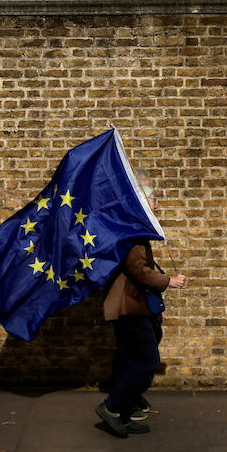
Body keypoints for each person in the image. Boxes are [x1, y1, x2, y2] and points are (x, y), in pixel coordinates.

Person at [95, 174, 188, 438]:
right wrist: (169, 281)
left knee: (130, 359)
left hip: (136, 305)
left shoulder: (135, 231)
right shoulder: (133, 233)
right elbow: (138, 270)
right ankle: (112, 407)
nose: (157, 205)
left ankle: (124, 414)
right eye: (153, 200)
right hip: (128, 307)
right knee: (147, 361)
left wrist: (157, 305)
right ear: (142, 203)